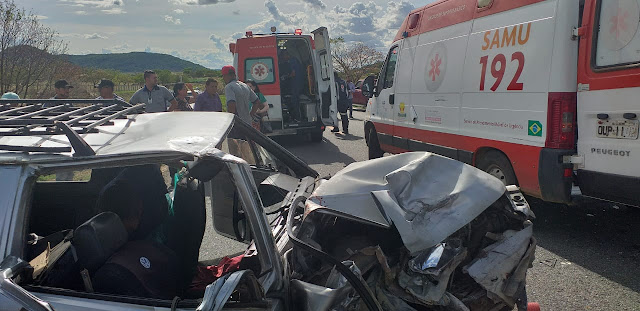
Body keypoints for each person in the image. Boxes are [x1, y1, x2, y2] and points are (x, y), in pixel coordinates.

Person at [280, 50, 303, 121]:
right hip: (297, 83)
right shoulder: (294, 60)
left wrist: (285, 77)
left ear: (287, 55)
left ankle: (297, 117)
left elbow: (293, 74)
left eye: (283, 56)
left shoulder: (292, 61)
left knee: (294, 101)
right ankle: (296, 117)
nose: (283, 58)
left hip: (295, 84)